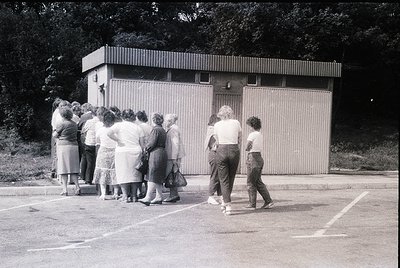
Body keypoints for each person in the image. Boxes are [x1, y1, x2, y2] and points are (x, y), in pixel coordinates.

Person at [108, 109, 145, 203]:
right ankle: (134, 196)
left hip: (122, 151)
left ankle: (125, 196)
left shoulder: (118, 125)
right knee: (135, 174)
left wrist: (118, 140)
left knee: (123, 173)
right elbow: (142, 143)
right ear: (132, 116)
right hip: (136, 151)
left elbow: (109, 133)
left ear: (122, 116)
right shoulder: (138, 127)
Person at [214, 105, 242, 215]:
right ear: (230, 113)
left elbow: (216, 139)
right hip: (234, 149)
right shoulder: (236, 123)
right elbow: (240, 137)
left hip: (222, 149)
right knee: (231, 177)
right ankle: (226, 202)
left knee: (223, 178)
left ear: (221, 114)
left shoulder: (217, 125)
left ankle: (226, 203)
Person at [244, 116, 274, 209]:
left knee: (251, 182)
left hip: (252, 157)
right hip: (259, 157)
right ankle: (268, 201)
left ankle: (252, 204)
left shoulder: (252, 135)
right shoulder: (260, 135)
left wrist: (247, 148)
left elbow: (247, 146)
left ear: (252, 125)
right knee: (257, 181)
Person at [138, 113, 168, 206]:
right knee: (158, 176)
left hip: (155, 153)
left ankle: (148, 197)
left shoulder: (155, 130)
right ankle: (159, 196)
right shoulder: (162, 129)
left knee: (152, 174)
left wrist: (145, 148)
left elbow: (151, 143)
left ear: (154, 120)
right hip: (162, 152)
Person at [52, 106, 81, 196]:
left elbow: (55, 135)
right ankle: (77, 187)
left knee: (63, 168)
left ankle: (65, 189)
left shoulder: (61, 123)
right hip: (74, 146)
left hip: (64, 146)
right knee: (73, 168)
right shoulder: (74, 123)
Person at [93, 111, 117, 200]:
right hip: (114, 151)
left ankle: (103, 193)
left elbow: (97, 142)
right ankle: (116, 192)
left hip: (103, 151)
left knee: (103, 172)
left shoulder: (100, 130)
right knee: (114, 172)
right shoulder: (115, 130)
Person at [164, 113, 186, 203]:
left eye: (166, 120)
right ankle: (174, 194)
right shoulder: (173, 128)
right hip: (173, 156)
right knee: (172, 175)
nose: (165, 122)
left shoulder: (173, 129)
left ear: (171, 121)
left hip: (172, 156)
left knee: (171, 175)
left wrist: (174, 158)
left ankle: (173, 195)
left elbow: (175, 144)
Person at [204, 114, 222, 205]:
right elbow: (216, 144)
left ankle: (220, 195)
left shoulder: (211, 130)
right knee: (215, 176)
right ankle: (211, 196)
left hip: (214, 154)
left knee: (218, 175)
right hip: (215, 154)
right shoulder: (213, 131)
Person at [136, 110, 153, 198]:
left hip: (141, 150)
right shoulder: (150, 127)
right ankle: (147, 191)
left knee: (139, 171)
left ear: (138, 118)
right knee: (147, 172)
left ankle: (139, 191)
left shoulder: (138, 127)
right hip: (149, 151)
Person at [81, 107, 99, 185]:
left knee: (89, 162)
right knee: (96, 162)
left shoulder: (89, 122)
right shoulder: (101, 122)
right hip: (98, 143)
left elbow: (83, 130)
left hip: (89, 142)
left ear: (92, 114)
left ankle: (88, 179)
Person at [78, 103, 94, 183]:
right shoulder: (92, 116)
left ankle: (83, 175)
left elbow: (79, 125)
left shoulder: (84, 116)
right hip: (92, 139)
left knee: (84, 156)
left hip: (85, 137)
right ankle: (87, 176)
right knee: (90, 159)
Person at [50, 97, 63, 178]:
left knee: (55, 151)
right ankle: (54, 170)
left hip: (55, 131)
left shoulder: (56, 112)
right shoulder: (58, 113)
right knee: (56, 151)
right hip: (56, 132)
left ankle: (54, 169)